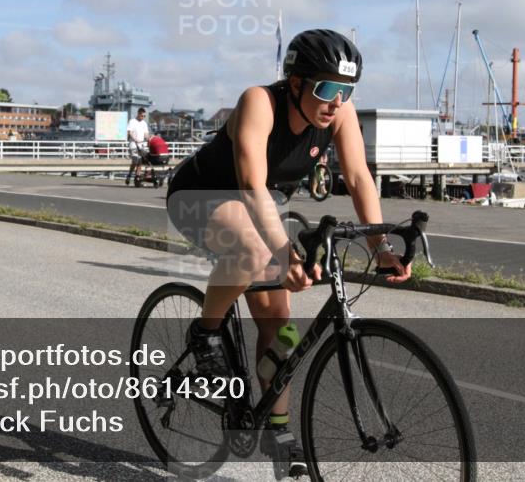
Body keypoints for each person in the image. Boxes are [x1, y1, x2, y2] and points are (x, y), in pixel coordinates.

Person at [166, 29, 411, 477]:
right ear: (296, 83)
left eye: (346, 91)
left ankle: (277, 430)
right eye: (327, 89)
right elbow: (250, 185)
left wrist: (380, 246)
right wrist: (283, 254)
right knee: (253, 249)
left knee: (280, 328)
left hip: (257, 206)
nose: (337, 101)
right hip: (201, 196)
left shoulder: (338, 113)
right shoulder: (259, 102)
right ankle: (205, 332)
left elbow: (359, 178)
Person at [125, 107, 150, 185]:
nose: (143, 117)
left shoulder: (144, 123)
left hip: (141, 144)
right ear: (138, 114)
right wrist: (135, 139)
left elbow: (146, 133)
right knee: (135, 161)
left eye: (144, 116)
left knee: (140, 162)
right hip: (133, 144)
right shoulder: (132, 121)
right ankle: (129, 175)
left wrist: (149, 138)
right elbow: (129, 132)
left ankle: (137, 178)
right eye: (142, 116)